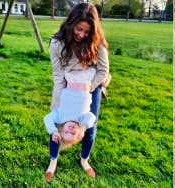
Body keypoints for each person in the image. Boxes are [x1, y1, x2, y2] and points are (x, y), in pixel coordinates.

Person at [45, 2, 110, 182]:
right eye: (79, 29)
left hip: (91, 85)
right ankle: (53, 161)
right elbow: (58, 76)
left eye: (87, 31)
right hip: (67, 86)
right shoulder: (57, 43)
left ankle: (84, 160)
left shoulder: (97, 43)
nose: (82, 34)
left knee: (89, 127)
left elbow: (103, 71)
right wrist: (57, 105)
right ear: (71, 24)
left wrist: (84, 91)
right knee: (58, 121)